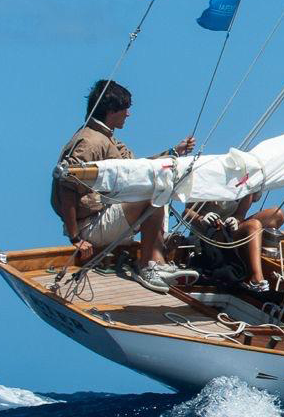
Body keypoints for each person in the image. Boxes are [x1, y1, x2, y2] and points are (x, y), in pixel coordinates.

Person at [52, 79, 196, 294]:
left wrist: (173, 152)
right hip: (88, 227)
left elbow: (139, 168)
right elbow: (66, 187)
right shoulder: (89, 142)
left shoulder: (106, 138)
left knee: (158, 183)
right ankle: (148, 266)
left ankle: (157, 258)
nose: (128, 114)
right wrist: (75, 238)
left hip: (103, 216)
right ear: (111, 111)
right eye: (125, 109)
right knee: (154, 194)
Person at [183, 192, 284, 295]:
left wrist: (235, 220)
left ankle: (249, 251)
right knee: (254, 225)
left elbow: (240, 214)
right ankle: (256, 280)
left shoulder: (247, 186)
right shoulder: (208, 182)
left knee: (277, 214)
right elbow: (186, 212)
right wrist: (201, 219)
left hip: (228, 233)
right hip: (207, 237)